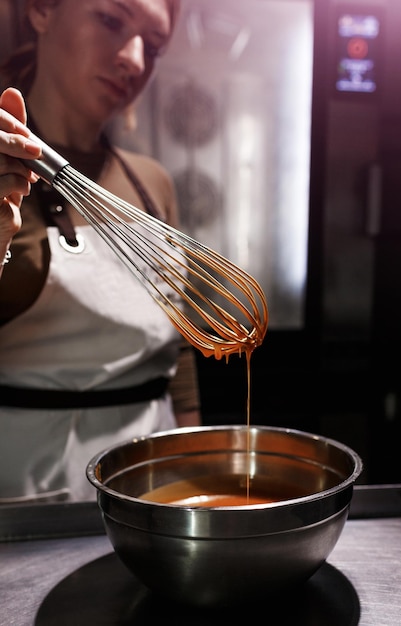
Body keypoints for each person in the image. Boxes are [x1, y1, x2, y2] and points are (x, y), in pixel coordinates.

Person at [0, 0, 201, 503]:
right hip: (29, 499)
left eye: (153, 47)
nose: (135, 60)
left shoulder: (153, 183)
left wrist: (199, 471)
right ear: (43, 11)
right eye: (111, 21)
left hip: (155, 489)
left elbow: (179, 353)